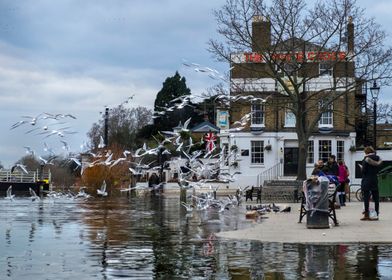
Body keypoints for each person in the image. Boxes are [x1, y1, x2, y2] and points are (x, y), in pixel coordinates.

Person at [360, 146, 382, 221]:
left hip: (366, 180)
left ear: (366, 152)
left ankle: (366, 215)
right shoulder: (378, 158)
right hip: (374, 180)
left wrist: (361, 168)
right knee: (376, 198)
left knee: (366, 198)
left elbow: (364, 171)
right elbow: (379, 169)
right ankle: (376, 214)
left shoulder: (366, 159)